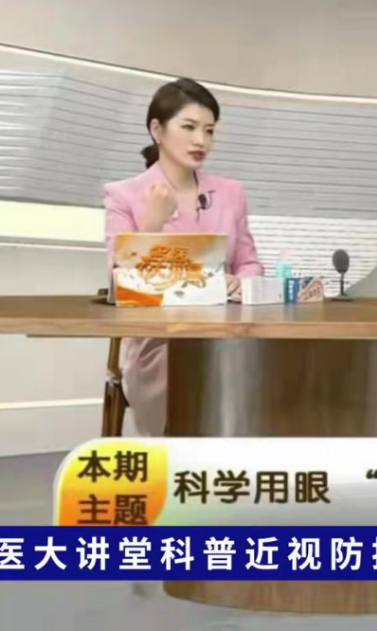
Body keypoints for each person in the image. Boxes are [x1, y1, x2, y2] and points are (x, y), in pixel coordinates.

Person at [103, 78, 263, 436]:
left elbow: (250, 263)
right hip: (161, 344)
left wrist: (241, 281)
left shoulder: (231, 193)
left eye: (209, 130)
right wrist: (152, 223)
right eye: (189, 127)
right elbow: (119, 282)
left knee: (276, 363)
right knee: (197, 376)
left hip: (228, 335)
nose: (200, 140)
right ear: (157, 130)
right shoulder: (124, 195)